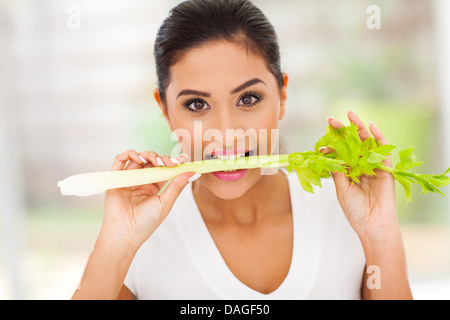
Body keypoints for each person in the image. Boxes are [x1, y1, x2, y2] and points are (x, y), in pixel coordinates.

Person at [72, 0, 412, 300]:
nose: (224, 133)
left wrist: (380, 235)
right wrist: (116, 244)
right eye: (196, 104)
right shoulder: (139, 243)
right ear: (164, 110)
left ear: (281, 96)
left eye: (248, 99)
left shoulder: (344, 212)